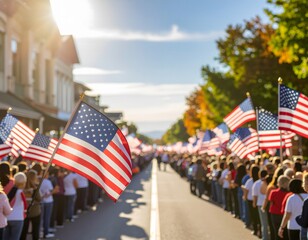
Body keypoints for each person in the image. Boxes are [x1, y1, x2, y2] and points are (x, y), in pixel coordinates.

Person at [4, 172, 27, 240]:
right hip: (18, 218)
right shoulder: (20, 192)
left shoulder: (12, 191)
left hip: (8, 217)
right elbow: (25, 204)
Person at [20, 170, 42, 240]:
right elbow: (39, 198)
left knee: (24, 231)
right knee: (35, 231)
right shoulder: (35, 187)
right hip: (35, 211)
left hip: (25, 211)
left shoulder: (22, 186)